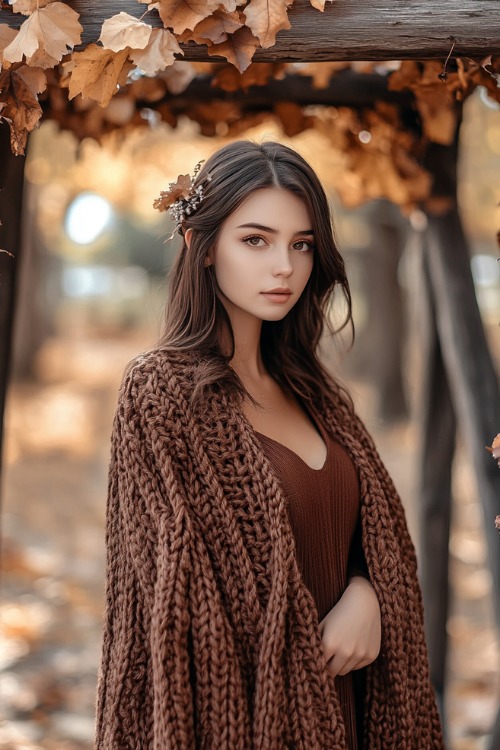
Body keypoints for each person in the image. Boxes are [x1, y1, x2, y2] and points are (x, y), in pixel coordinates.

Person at [95, 141, 444, 749]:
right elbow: (170, 603)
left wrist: (368, 591)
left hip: (357, 713)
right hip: (245, 722)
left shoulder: (316, 392)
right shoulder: (161, 393)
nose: (283, 265)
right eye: (255, 240)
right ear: (202, 248)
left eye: (301, 243)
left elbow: (369, 539)